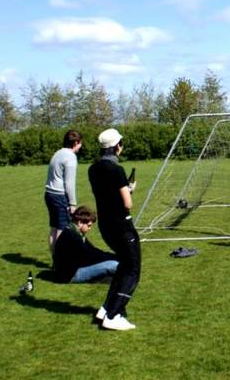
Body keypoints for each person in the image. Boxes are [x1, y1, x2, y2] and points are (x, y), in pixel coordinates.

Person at [88, 128, 140, 331]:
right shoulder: (116, 170)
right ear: (117, 146)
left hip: (106, 225)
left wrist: (124, 188)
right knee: (132, 268)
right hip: (121, 225)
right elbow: (127, 203)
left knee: (123, 265)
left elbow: (107, 193)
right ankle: (114, 314)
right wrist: (129, 190)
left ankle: (106, 308)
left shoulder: (92, 169)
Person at [53, 206, 119, 283]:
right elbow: (91, 255)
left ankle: (105, 278)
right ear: (80, 222)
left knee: (110, 263)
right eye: (89, 225)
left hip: (74, 269)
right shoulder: (73, 237)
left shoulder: (73, 231)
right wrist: (114, 258)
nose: (90, 228)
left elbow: (92, 250)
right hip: (70, 275)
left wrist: (114, 256)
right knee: (114, 265)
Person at [44, 130, 82, 258]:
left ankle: (55, 259)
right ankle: (61, 261)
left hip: (49, 194)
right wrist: (72, 203)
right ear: (76, 142)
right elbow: (69, 183)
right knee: (63, 230)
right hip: (59, 196)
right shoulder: (70, 157)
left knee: (54, 228)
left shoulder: (58, 153)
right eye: (80, 143)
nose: (80, 146)